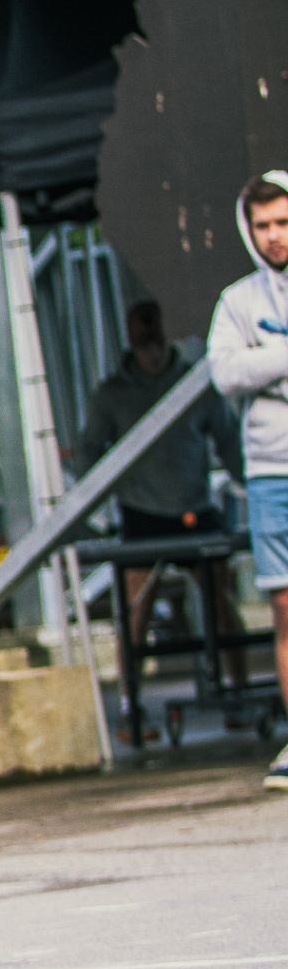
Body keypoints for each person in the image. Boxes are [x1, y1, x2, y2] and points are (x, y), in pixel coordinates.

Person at [76, 298, 246, 726]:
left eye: (154, 333)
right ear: (129, 338)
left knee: (223, 605)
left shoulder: (194, 385)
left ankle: (239, 690)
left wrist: (249, 482)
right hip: (142, 514)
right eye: (141, 336)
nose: (149, 344)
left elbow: (229, 441)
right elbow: (89, 453)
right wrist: (96, 508)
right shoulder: (112, 395)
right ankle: (130, 707)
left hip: (194, 509)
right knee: (135, 611)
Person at [207, 170, 288, 790]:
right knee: (284, 608)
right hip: (270, 471)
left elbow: (247, 368)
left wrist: (263, 364)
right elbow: (226, 373)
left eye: (283, 222)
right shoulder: (238, 301)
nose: (274, 235)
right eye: (263, 225)